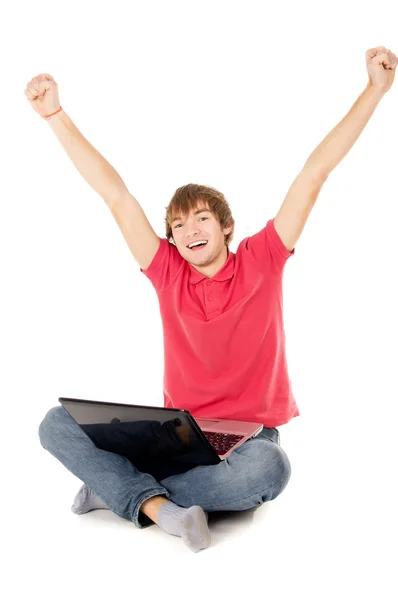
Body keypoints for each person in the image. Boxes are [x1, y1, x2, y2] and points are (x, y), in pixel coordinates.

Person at [26, 47, 397, 552]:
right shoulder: (166, 272)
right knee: (55, 424)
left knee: (271, 470)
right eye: (178, 225)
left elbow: (314, 173)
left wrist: (375, 90)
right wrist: (54, 114)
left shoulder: (261, 258)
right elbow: (115, 195)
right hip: (176, 435)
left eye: (201, 218)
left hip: (248, 441)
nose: (188, 230)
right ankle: (155, 506)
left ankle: (116, 489)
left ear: (225, 226)